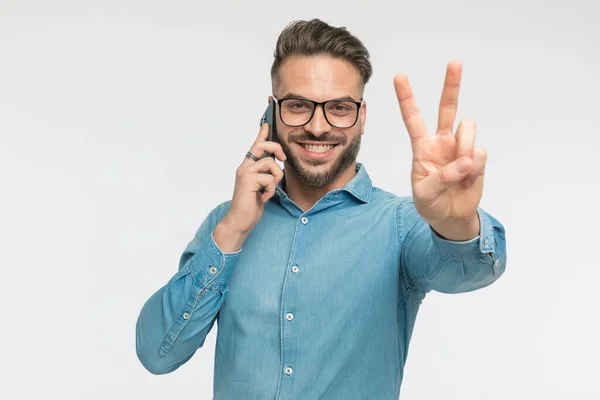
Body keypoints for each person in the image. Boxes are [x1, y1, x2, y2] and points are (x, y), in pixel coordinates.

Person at [135, 18, 507, 400]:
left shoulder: (400, 224)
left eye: (339, 108)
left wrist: (456, 220)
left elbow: (471, 270)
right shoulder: (226, 223)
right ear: (271, 113)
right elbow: (157, 353)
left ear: (361, 116)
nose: (317, 127)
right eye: (298, 105)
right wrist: (232, 231)